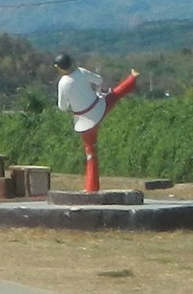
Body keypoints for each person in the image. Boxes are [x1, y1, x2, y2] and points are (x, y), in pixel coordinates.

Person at [55, 54, 140, 193]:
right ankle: (132, 79)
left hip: (84, 120)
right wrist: (93, 89)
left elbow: (62, 107)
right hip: (98, 107)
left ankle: (91, 187)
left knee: (91, 154)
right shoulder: (81, 72)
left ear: (58, 68)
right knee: (114, 95)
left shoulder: (63, 83)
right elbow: (99, 80)